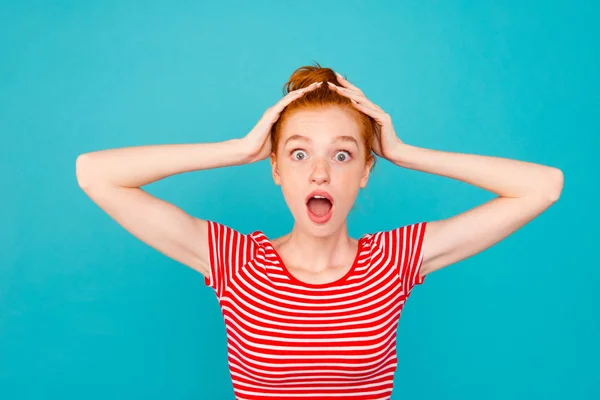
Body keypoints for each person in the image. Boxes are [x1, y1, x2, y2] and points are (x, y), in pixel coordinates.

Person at [75, 63, 564, 400]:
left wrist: (403, 151)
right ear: (276, 169)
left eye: (343, 154)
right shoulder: (234, 260)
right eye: (300, 153)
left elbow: (543, 186)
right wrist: (237, 148)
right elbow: (94, 174)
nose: (320, 174)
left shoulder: (395, 260)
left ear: (366, 171)